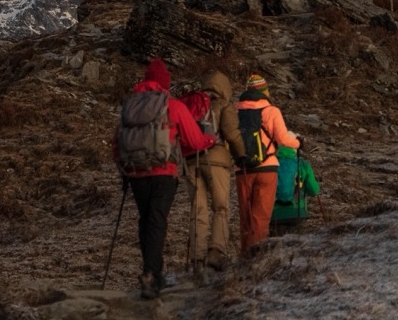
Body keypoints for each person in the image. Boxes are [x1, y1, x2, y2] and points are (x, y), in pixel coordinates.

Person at [115, 58, 216, 299]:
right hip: (163, 172)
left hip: (136, 173)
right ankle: (152, 274)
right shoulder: (172, 105)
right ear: (165, 82)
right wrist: (211, 139)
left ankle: (149, 268)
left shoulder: (131, 105)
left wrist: (123, 168)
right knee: (157, 221)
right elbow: (194, 140)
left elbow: (117, 141)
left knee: (146, 219)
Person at [183, 70, 244, 274]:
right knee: (220, 208)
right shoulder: (223, 104)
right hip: (216, 162)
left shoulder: (193, 103)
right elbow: (232, 134)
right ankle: (216, 253)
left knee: (197, 210)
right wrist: (242, 156)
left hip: (191, 161)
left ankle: (197, 258)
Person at [234, 73, 300, 252]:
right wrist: (298, 143)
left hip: (242, 169)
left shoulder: (236, 110)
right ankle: (257, 257)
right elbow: (284, 140)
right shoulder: (271, 111)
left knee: (246, 217)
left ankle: (245, 254)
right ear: (265, 91)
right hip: (268, 168)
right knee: (261, 217)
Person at [270, 144, 321, 231]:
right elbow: (314, 191)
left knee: (276, 243)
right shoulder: (302, 164)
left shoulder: (270, 164)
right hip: (297, 212)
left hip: (275, 214)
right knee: (297, 244)